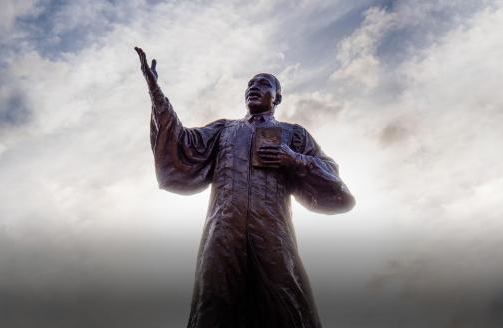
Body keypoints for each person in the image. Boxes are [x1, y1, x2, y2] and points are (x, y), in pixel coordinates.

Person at [135, 46, 355, 328]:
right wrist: (156, 92)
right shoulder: (224, 130)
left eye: (263, 84)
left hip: (273, 233)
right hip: (224, 231)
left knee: (285, 304)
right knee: (213, 304)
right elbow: (181, 141)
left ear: (278, 98)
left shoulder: (294, 134)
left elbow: (332, 180)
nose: (253, 88)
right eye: (250, 84)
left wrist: (294, 158)